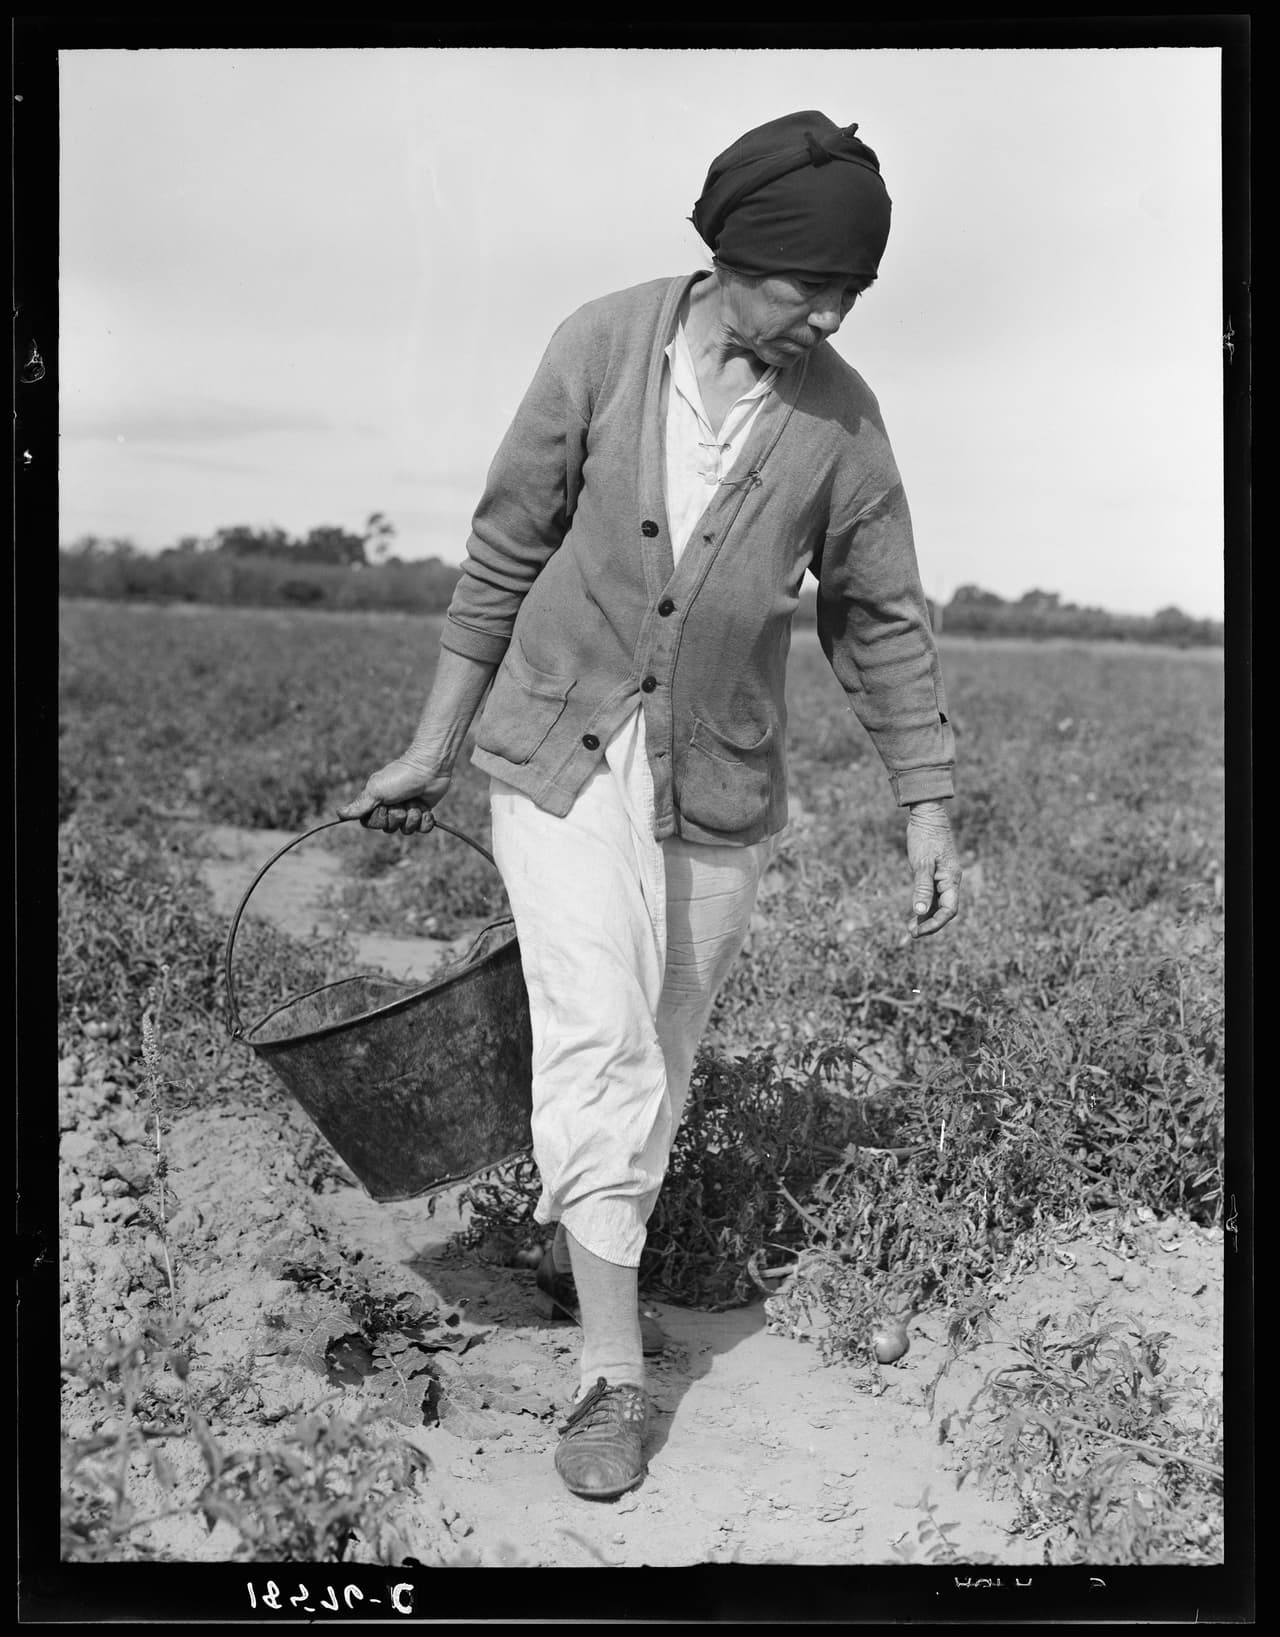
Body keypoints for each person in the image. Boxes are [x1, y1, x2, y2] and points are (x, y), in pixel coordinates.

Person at [339, 109, 962, 1501]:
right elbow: (505, 547)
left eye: (854, 291)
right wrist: (434, 743)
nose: (830, 311)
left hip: (719, 777)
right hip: (562, 745)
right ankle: (614, 1377)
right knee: (608, 1032)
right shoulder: (601, 345)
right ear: (733, 256)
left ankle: (586, 1239)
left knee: (658, 1054)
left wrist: (927, 800)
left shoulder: (842, 424)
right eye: (809, 284)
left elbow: (881, 617)